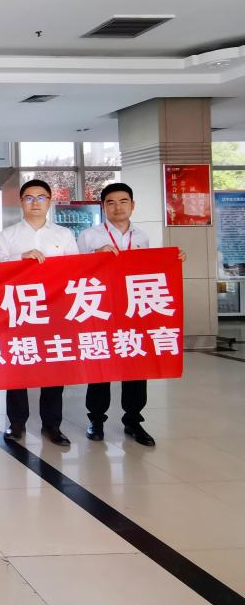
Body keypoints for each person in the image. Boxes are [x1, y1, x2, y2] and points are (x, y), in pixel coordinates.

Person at [77, 182, 186, 447]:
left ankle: (133, 420)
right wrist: (94, 256)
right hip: (101, 309)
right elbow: (75, 270)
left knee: (136, 363)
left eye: (123, 201)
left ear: (133, 205)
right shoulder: (89, 236)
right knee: (101, 364)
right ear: (103, 207)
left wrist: (173, 259)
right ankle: (96, 420)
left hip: (134, 310)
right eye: (111, 202)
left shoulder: (142, 236)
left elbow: (151, 269)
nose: (118, 207)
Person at [0, 179, 79, 446]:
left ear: (50, 201)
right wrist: (20, 259)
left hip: (54, 311)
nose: (35, 203)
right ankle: (16, 423)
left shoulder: (63, 235)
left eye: (41, 197)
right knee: (17, 366)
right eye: (29, 198)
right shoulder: (9, 235)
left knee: (53, 368)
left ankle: (52, 425)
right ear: (21, 202)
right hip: (19, 310)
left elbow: (75, 269)